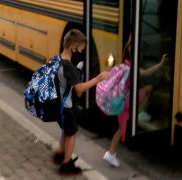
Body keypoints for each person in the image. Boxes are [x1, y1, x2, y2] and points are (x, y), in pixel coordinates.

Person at [103, 34, 167, 167]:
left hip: (120, 100)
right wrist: (161, 64)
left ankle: (110, 154)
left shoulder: (123, 65)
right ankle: (140, 113)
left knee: (120, 129)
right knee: (149, 89)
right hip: (127, 101)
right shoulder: (131, 67)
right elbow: (148, 72)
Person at [53, 29, 108, 176]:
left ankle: (59, 152)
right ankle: (66, 164)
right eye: (82, 49)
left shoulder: (58, 59)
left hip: (59, 105)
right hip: (68, 106)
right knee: (72, 134)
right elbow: (79, 89)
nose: (82, 52)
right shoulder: (69, 67)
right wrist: (99, 78)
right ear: (73, 48)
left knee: (66, 129)